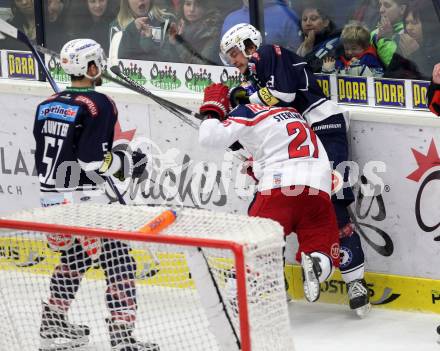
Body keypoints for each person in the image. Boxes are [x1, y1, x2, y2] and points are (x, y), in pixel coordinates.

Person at [220, 23, 371, 317]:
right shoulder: (253, 76)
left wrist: (243, 101)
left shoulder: (266, 53)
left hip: (322, 129)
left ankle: (356, 282)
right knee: (271, 213)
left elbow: (284, 94)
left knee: (335, 203)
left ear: (248, 44)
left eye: (235, 53)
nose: (233, 61)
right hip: (295, 141)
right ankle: (274, 284)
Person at [33, 38, 157, 350]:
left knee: (75, 256)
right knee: (119, 261)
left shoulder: (46, 104)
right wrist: (126, 162)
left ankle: (53, 319)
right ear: (90, 67)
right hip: (84, 200)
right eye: (98, 62)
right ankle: (121, 335)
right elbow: (91, 160)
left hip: (51, 199)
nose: (101, 67)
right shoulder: (100, 103)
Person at [198, 83, 340, 303]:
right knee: (323, 253)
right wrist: (257, 166)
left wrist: (211, 112)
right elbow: (282, 148)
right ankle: (315, 264)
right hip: (317, 190)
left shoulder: (246, 111)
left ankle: (237, 296)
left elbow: (210, 138)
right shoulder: (293, 114)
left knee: (256, 249)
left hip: (279, 189)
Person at [385, 0, 440, 80]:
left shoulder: (437, 49)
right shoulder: (404, 46)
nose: (409, 28)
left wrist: (415, 54)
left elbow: (430, 81)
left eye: (414, 22)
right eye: (406, 23)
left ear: (428, 26)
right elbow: (389, 78)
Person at [221, 0, 301, 52]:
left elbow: (296, 56)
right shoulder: (230, 20)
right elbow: (225, 57)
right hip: (236, 76)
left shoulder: (287, 16)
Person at [109, 0, 176, 61]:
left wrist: (172, 44)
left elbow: (175, 62)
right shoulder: (117, 27)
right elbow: (115, 61)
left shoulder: (166, 22)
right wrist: (132, 30)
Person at [168, 0, 222, 65]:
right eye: (188, 4)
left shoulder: (212, 31)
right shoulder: (177, 26)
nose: (192, 9)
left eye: (198, 5)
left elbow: (201, 66)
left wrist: (178, 43)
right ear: (182, 6)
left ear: (205, 7)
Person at [296, 5, 341, 72]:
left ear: (326, 22)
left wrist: (308, 49)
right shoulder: (303, 41)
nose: (308, 23)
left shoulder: (335, 42)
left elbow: (310, 69)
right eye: (304, 19)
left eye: (313, 19)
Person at [370, 0, 408, 68]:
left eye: (387, 5)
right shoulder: (374, 33)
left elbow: (395, 66)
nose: (381, 10)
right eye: (380, 5)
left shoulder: (408, 33)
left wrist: (383, 39)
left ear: (402, 9)